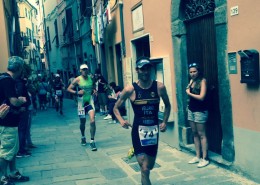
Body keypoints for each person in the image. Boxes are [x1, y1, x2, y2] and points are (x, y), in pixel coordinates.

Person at [113, 57, 171, 185]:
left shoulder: (159, 87)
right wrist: (122, 121)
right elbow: (116, 107)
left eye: (147, 69)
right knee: (144, 168)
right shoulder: (130, 90)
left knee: (149, 167)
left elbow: (168, 105)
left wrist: (165, 121)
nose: (145, 72)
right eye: (142, 69)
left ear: (150, 69)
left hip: (153, 132)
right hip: (138, 132)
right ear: (137, 70)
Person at [0, 56, 30, 185]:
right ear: (18, 68)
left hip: (9, 121)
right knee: (6, 151)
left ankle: (13, 172)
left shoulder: (3, 78)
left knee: (12, 149)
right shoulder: (8, 81)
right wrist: (21, 100)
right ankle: (2, 177)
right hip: (7, 121)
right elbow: (13, 101)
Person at [67, 64, 97, 151]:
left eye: (86, 69)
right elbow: (68, 89)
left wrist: (94, 91)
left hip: (89, 101)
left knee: (92, 120)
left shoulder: (91, 78)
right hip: (81, 103)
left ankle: (92, 141)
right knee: (82, 122)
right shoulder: (77, 79)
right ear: (80, 70)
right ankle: (83, 136)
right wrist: (77, 93)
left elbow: (94, 86)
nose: (85, 71)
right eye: (83, 70)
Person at [186, 62, 209, 168]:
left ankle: (205, 158)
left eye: (194, 71)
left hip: (200, 110)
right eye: (191, 72)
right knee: (194, 133)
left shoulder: (203, 81)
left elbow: (202, 97)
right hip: (191, 110)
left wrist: (189, 93)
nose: (192, 74)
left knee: (202, 134)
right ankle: (197, 156)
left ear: (198, 71)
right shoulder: (191, 81)